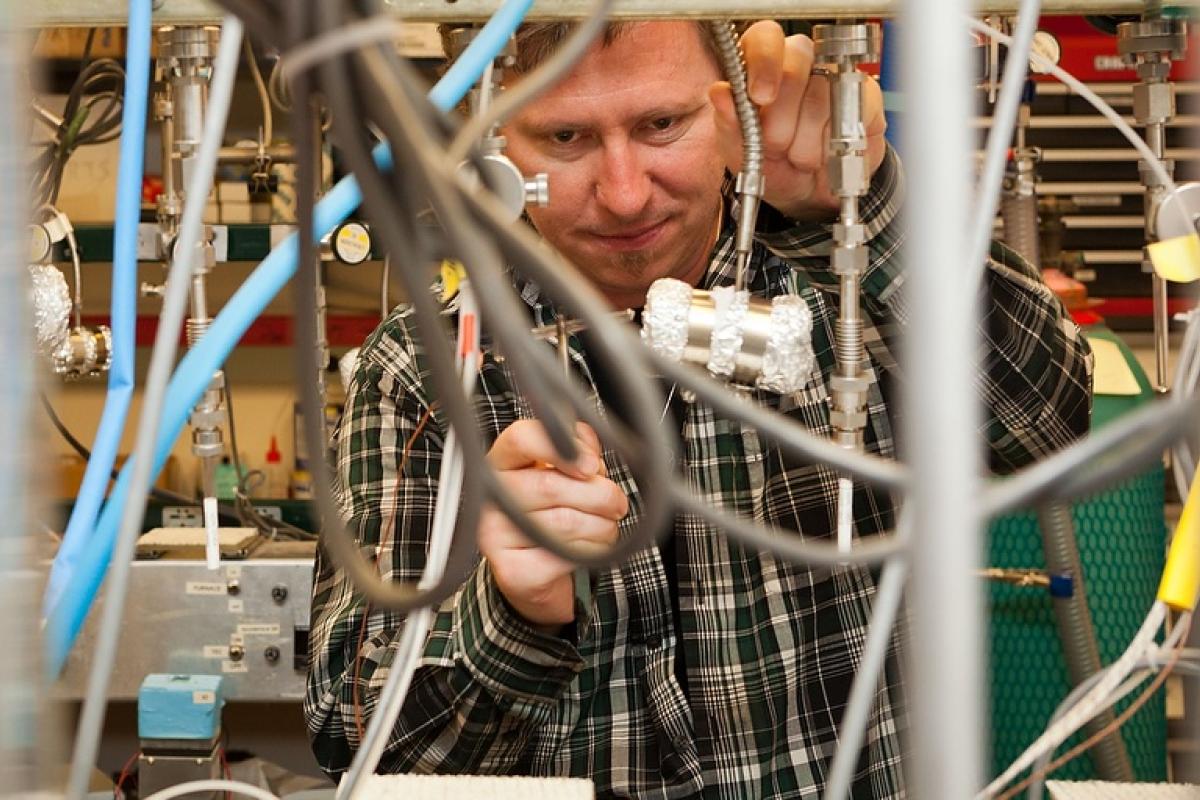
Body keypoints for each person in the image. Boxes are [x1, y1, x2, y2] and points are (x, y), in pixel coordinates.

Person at [305, 20, 1093, 798]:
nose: (623, 193)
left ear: (736, 109)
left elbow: (1049, 429)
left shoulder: (846, 289)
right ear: (490, 139)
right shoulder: (425, 371)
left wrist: (868, 210)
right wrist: (507, 614)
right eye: (566, 137)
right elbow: (355, 738)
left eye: (661, 124)